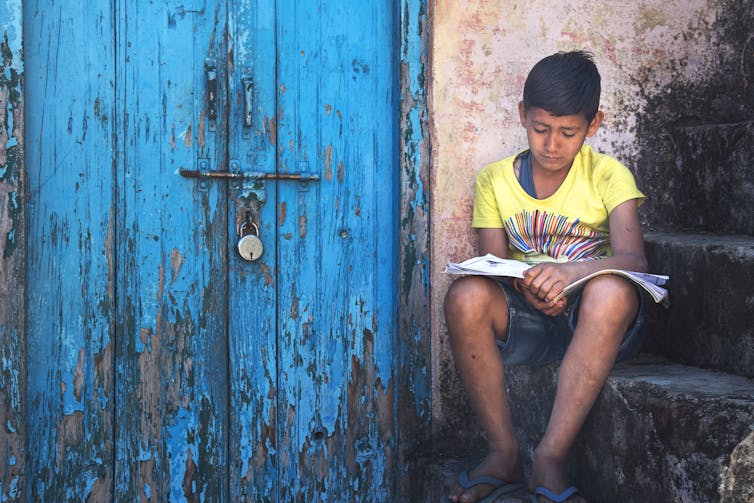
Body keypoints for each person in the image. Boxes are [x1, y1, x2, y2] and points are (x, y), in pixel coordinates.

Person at [444, 51, 648, 503]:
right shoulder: (494, 180)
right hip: (531, 317)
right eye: (540, 129)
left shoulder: (608, 175)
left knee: (612, 292)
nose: (552, 144)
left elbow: (635, 260)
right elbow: (494, 267)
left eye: (568, 132)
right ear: (523, 116)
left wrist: (571, 273)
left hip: (597, 321)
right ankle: (503, 451)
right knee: (465, 297)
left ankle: (550, 457)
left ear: (593, 126)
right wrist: (530, 289)